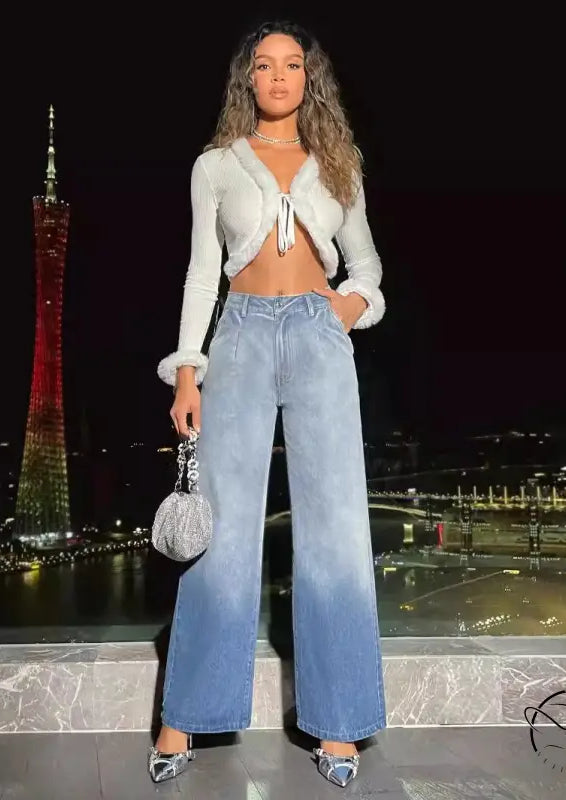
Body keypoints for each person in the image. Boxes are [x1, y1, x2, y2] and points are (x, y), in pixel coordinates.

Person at [149, 19, 387, 789]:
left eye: (292, 65)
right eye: (264, 65)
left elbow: (367, 266)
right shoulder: (215, 165)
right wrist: (189, 372)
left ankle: (341, 722)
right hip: (241, 339)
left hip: (320, 341)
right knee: (220, 528)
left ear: (307, 78)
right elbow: (199, 274)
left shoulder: (337, 163)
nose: (278, 76)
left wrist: (343, 312)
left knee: (338, 528)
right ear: (246, 79)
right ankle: (184, 713)